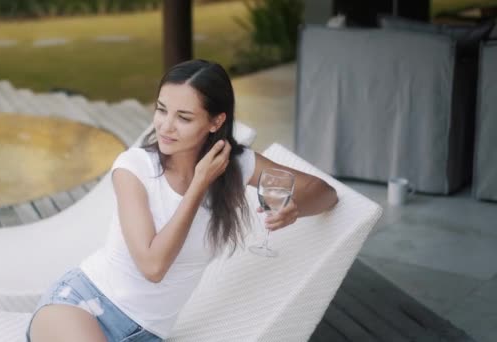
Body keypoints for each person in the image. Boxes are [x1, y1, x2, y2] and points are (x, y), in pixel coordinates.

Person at [27, 59, 338, 342]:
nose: (165, 125)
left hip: (147, 334)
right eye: (161, 110)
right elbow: (153, 266)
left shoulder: (237, 164)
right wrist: (199, 185)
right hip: (81, 306)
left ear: (215, 122)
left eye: (184, 117)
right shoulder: (134, 167)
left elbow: (325, 193)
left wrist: (296, 210)